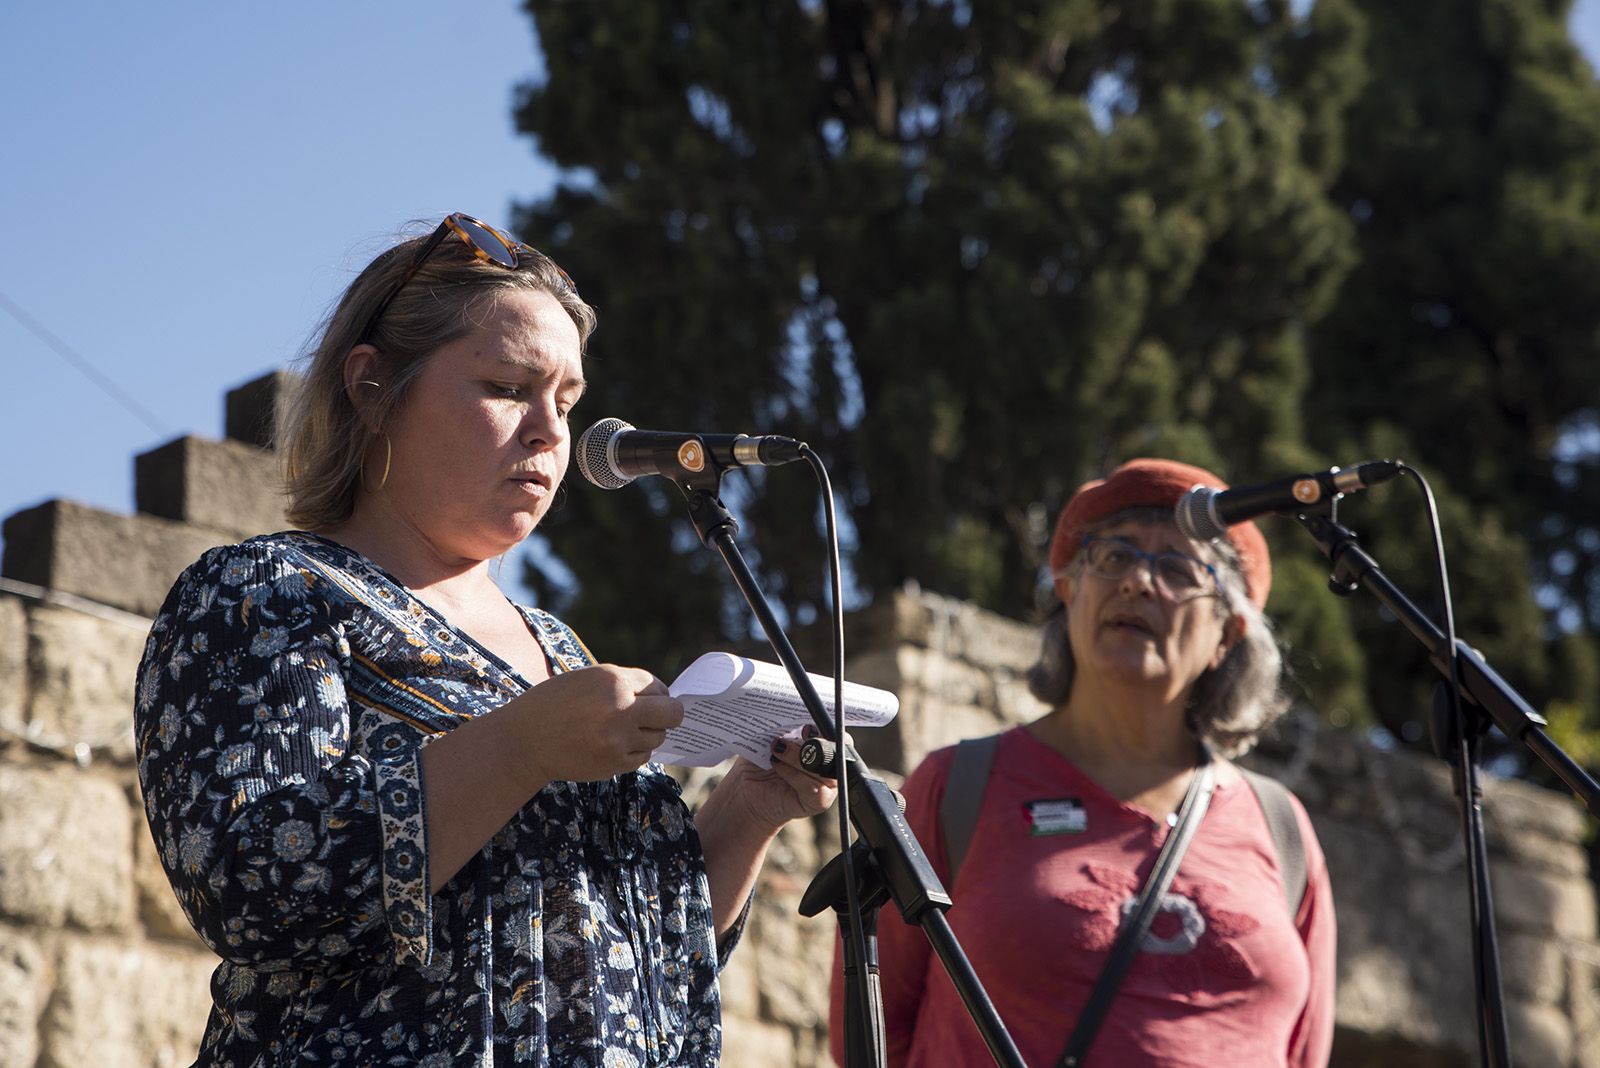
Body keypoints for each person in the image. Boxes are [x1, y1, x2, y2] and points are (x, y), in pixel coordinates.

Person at [134, 213, 837, 1066]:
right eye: (508, 386)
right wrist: (521, 745)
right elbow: (249, 886)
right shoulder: (266, 594)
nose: (549, 430)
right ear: (370, 386)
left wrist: (745, 812)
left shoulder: (558, 647)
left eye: (567, 402)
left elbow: (646, 966)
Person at [829, 458, 1336, 1067]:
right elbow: (867, 1039)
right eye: (1113, 557)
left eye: (1177, 568)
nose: (1138, 583)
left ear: (1226, 634)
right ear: (1069, 593)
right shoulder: (957, 789)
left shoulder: (1282, 829)